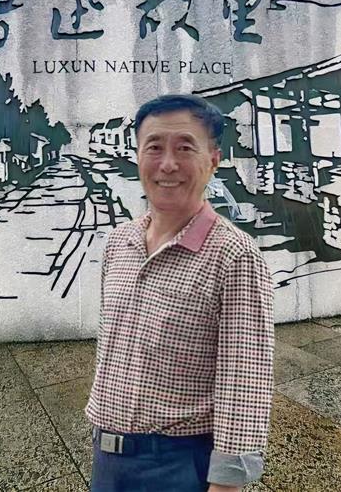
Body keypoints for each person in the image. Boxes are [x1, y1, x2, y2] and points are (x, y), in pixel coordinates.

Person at [87, 94, 274, 492]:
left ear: (213, 160)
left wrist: (226, 483)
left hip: (178, 466)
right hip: (107, 458)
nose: (168, 164)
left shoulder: (234, 256)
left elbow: (245, 380)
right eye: (154, 147)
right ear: (138, 156)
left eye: (185, 148)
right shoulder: (120, 242)